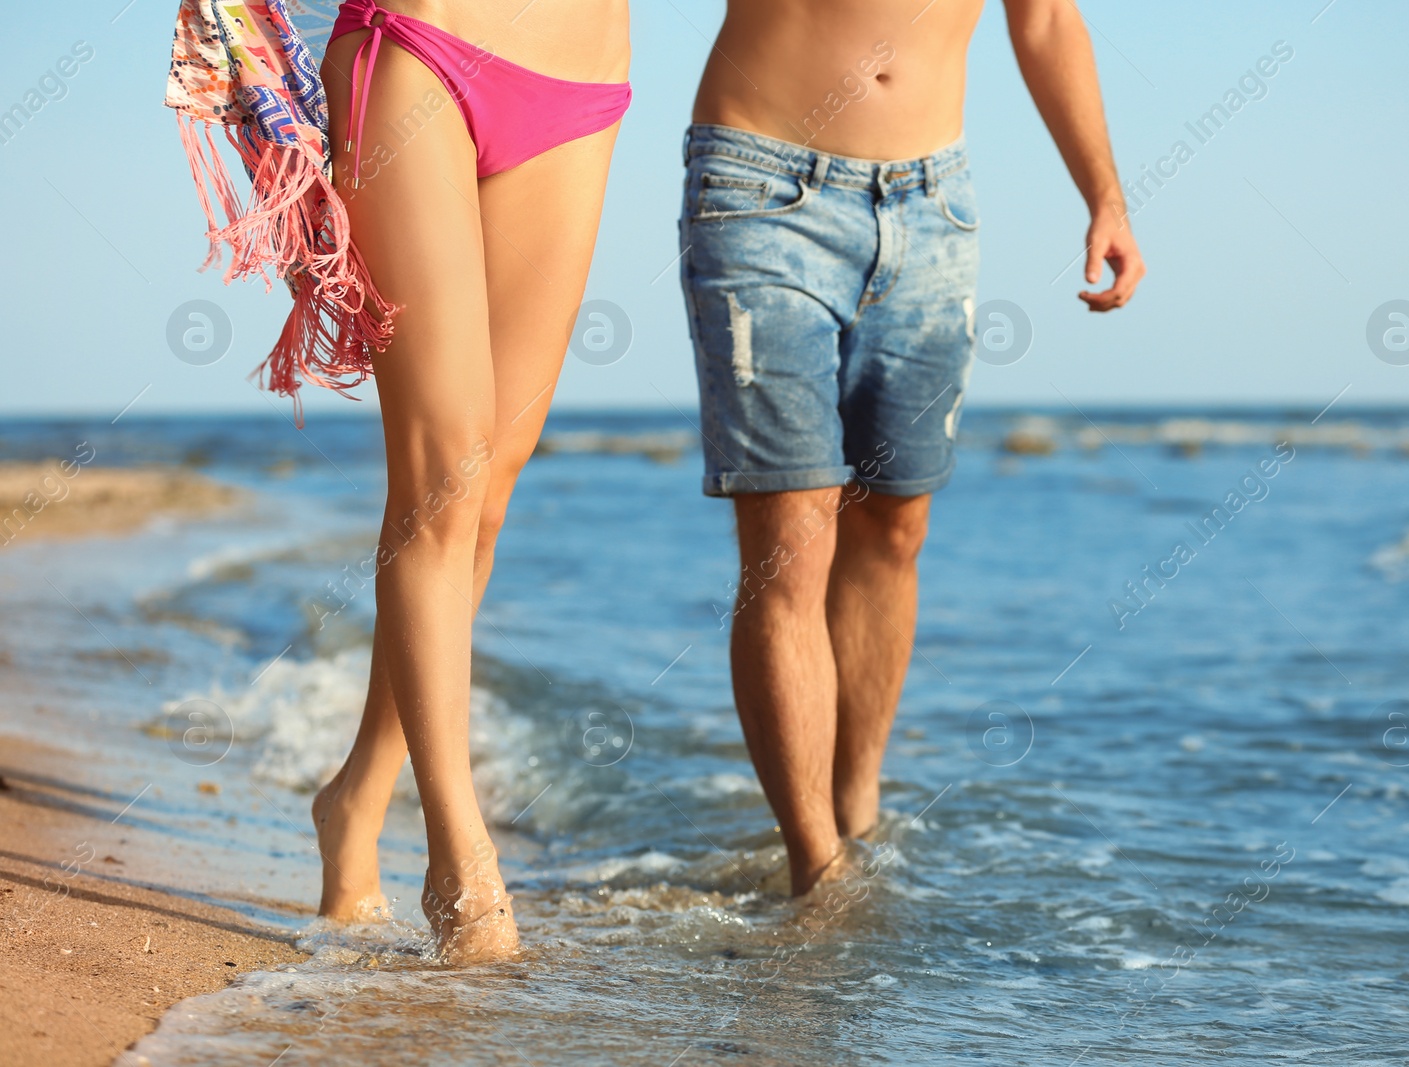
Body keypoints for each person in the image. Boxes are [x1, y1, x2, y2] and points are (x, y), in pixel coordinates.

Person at [679, 0, 1144, 895]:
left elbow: (1044, 19)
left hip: (932, 204)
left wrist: (1106, 196)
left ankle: (859, 810)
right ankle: (817, 869)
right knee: (790, 544)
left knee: (896, 526)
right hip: (762, 186)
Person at [303, 0, 632, 963]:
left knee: (486, 493)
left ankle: (356, 797)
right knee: (443, 467)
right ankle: (462, 857)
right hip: (416, 43)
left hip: (577, 80)